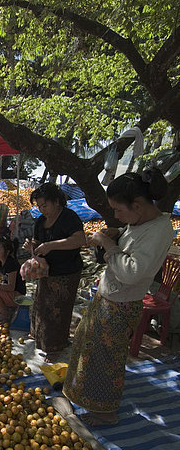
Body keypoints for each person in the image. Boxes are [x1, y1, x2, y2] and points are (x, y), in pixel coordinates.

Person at [63, 170, 174, 426]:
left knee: (106, 359)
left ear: (137, 205)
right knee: (87, 348)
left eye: (119, 210)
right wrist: (116, 234)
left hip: (121, 304)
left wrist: (108, 245)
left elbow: (132, 273)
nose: (116, 215)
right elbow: (128, 246)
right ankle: (84, 397)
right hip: (108, 298)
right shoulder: (139, 223)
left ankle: (105, 412)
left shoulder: (159, 229)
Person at [24, 182, 86, 360]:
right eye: (39, 206)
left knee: (58, 310)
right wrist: (32, 247)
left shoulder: (68, 217)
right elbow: (37, 245)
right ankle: (39, 336)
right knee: (42, 305)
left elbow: (80, 239)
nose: (42, 210)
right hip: (46, 271)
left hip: (66, 272)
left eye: (45, 205)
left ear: (57, 201)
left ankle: (55, 346)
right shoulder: (41, 221)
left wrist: (51, 246)